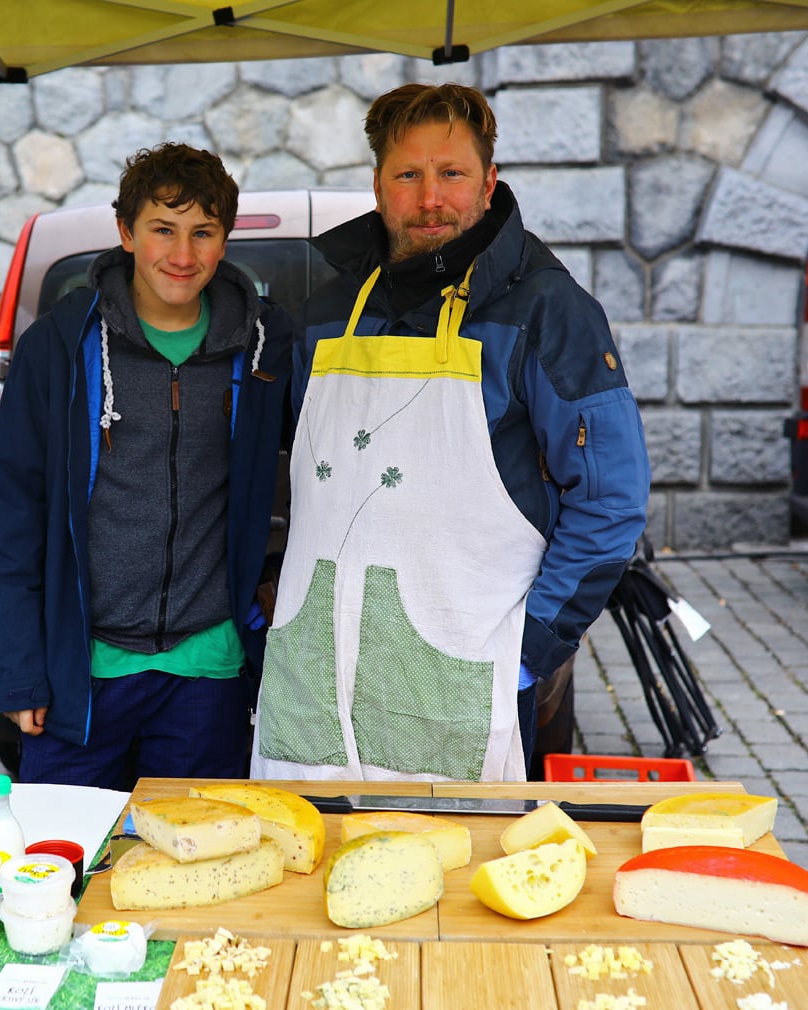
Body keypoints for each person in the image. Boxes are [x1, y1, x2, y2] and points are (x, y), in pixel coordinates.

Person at [250, 83, 650, 783]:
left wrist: (530, 649)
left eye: (451, 174)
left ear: (489, 183)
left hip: (466, 676)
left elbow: (611, 499)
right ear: (378, 185)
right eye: (408, 175)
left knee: (458, 875)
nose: (430, 198)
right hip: (317, 687)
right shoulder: (325, 310)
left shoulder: (548, 311)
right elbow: (279, 470)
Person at [0, 143, 293, 790]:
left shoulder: (263, 348)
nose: (183, 255)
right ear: (126, 232)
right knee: (60, 870)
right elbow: (9, 519)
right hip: (81, 674)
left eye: (203, 232)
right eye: (163, 230)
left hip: (207, 674)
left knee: (193, 875)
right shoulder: (60, 348)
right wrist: (17, 669)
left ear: (224, 238)